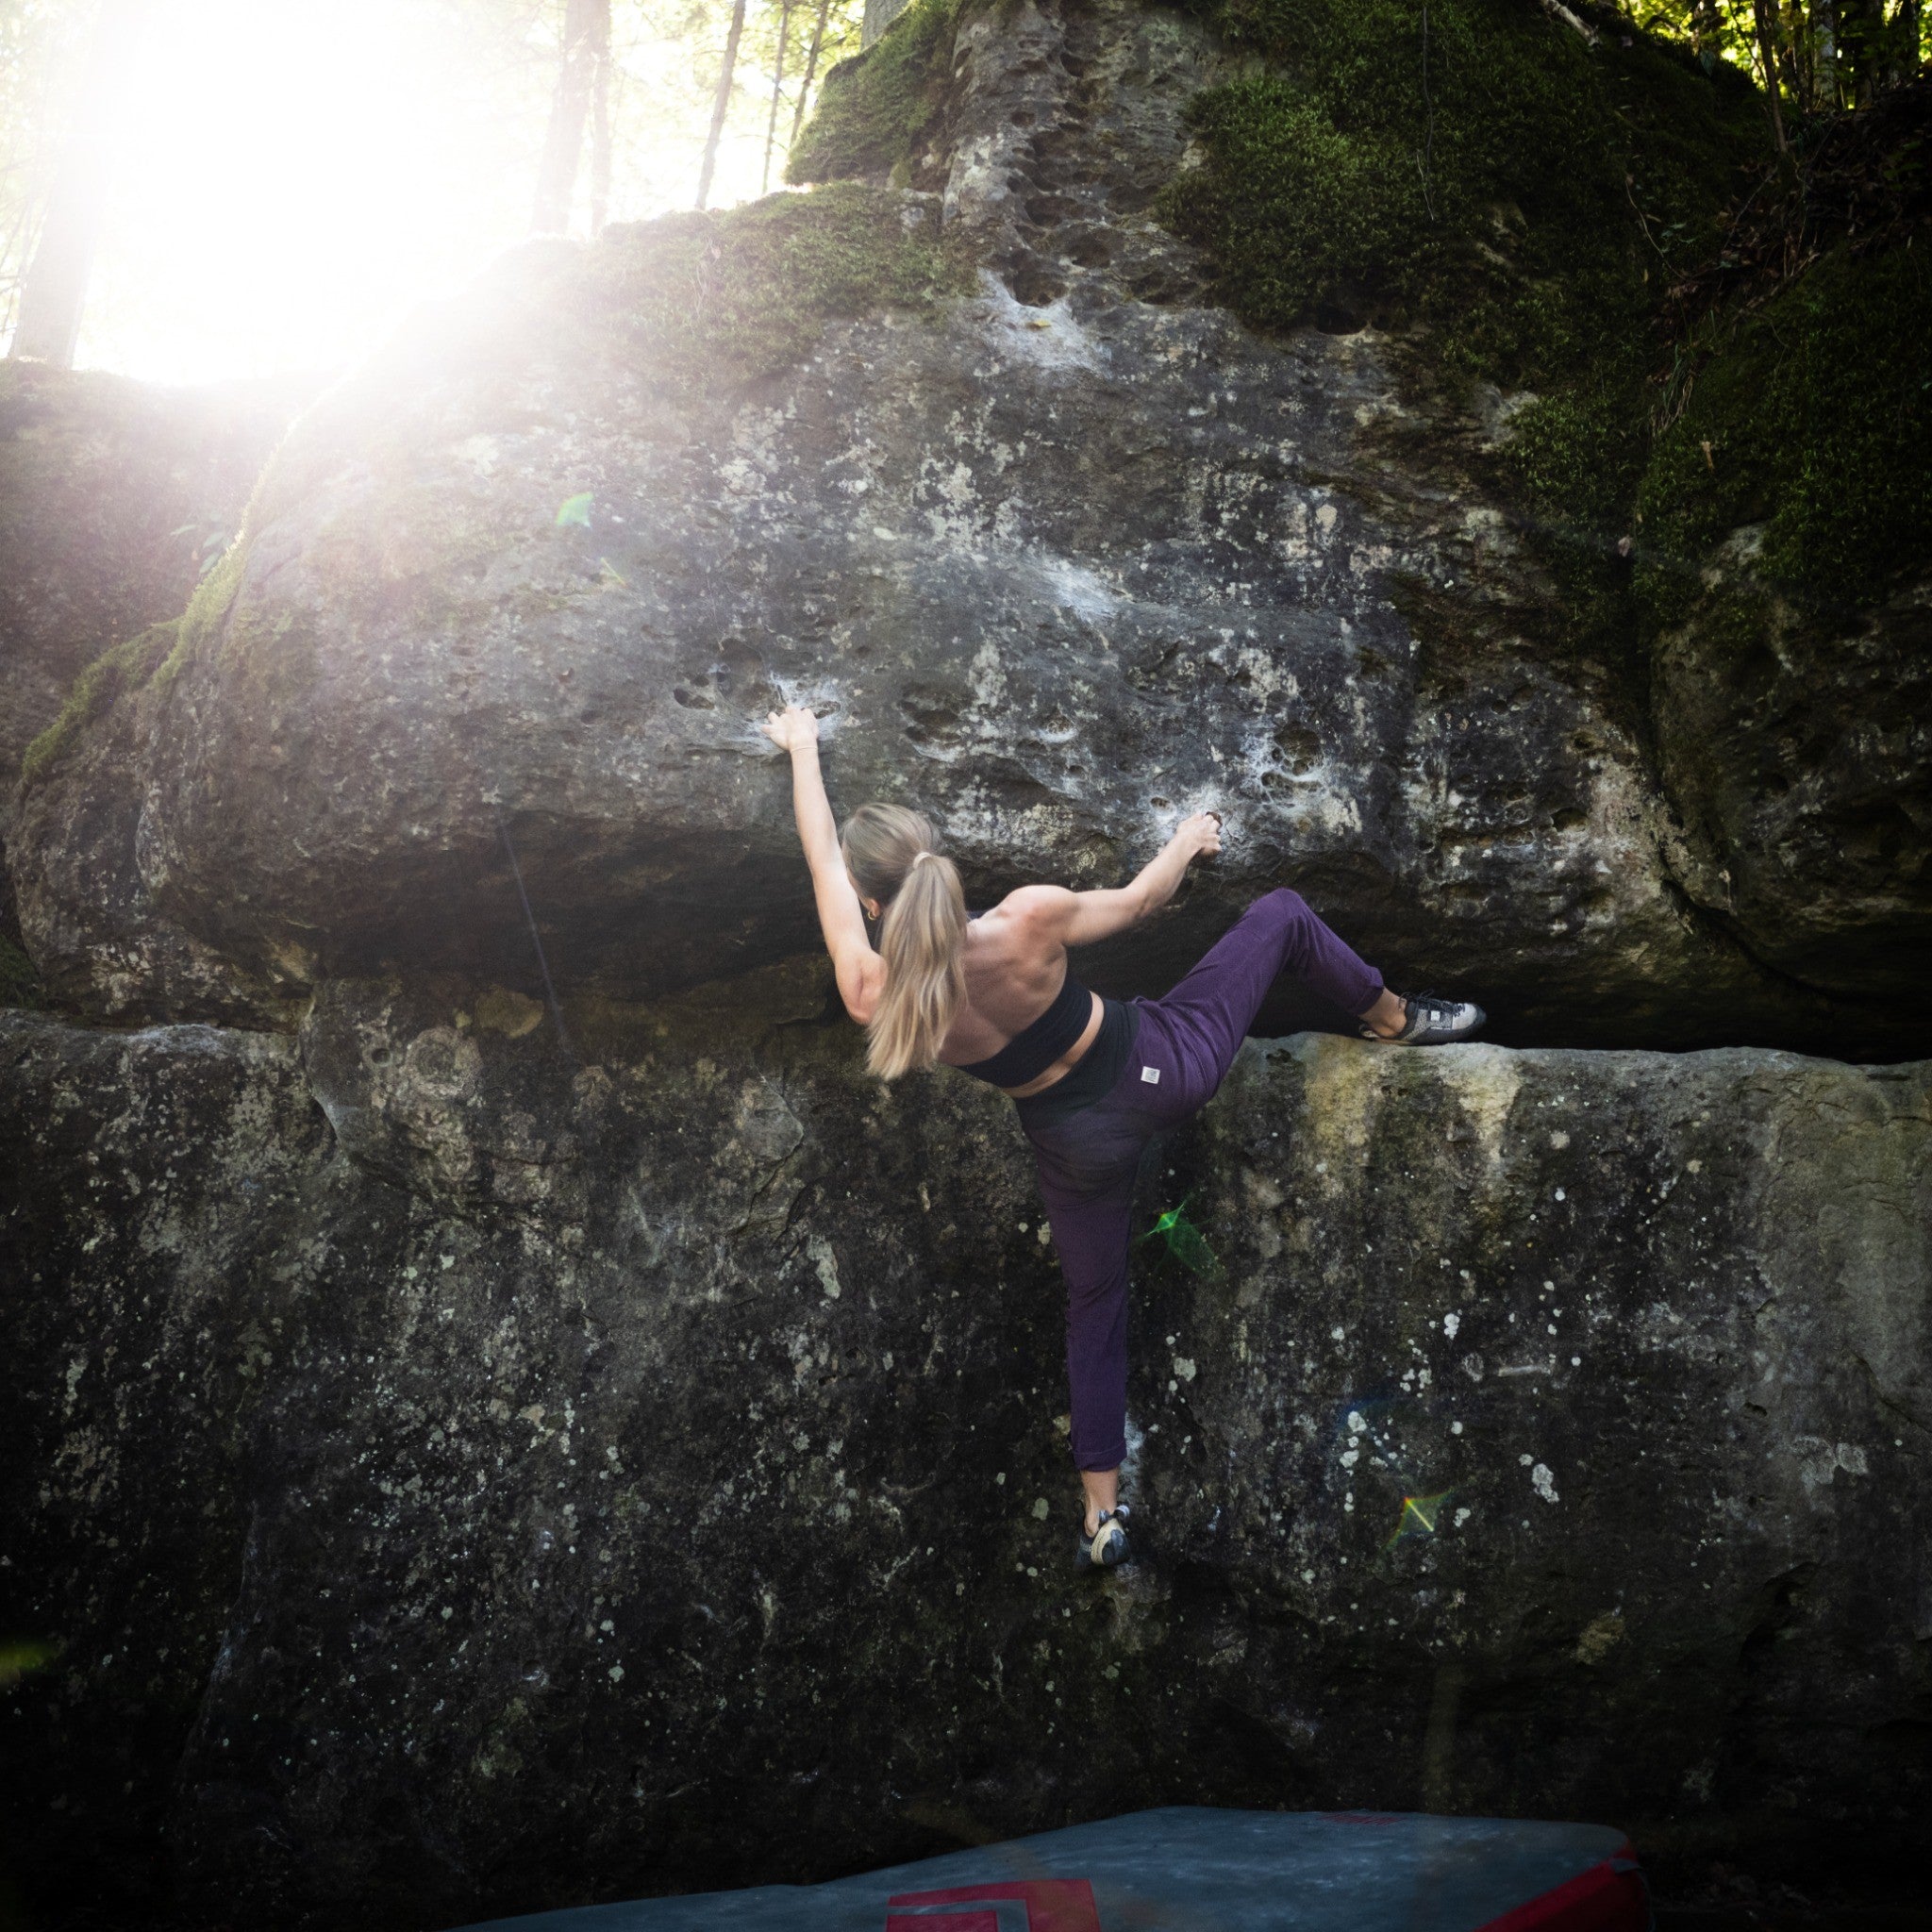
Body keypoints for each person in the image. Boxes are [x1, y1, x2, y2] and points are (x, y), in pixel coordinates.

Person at [759, 704, 1484, 1572]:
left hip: (1076, 1148)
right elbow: (1144, 902)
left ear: (878, 904)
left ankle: (1102, 1515)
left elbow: (822, 865)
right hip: (1162, 1069)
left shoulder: (872, 990)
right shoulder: (1026, 920)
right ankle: (1396, 1018)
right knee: (1284, 914)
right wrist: (1188, 838)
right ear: (940, 866)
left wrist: (803, 748)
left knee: (1094, 1306)